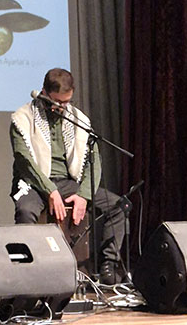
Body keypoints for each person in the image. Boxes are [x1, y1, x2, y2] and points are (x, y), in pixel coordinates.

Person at [10, 68, 127, 285]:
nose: (62, 108)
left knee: (119, 207)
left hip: (68, 183)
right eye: (57, 102)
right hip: (33, 183)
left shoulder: (79, 119)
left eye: (67, 102)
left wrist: (84, 194)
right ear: (44, 93)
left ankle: (108, 266)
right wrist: (50, 191)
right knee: (25, 211)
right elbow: (24, 161)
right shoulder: (22, 118)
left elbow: (95, 162)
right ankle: (26, 274)